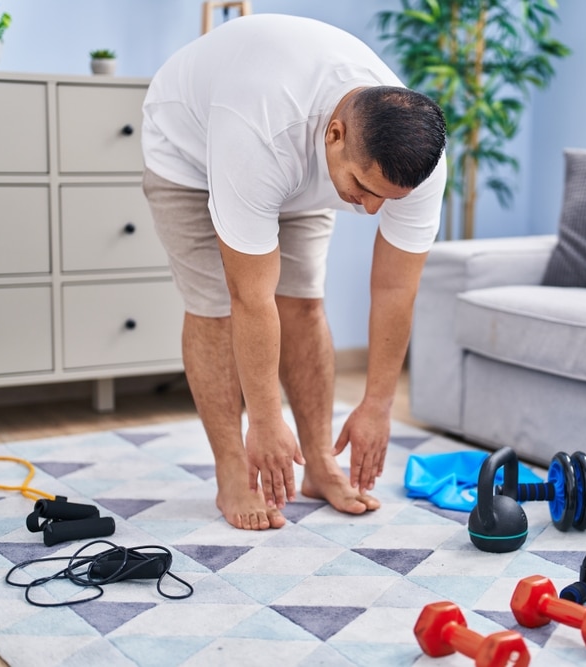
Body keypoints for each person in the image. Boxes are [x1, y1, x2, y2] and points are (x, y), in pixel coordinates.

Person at [140, 13, 447, 530]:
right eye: (365, 190)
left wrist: (377, 404)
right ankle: (232, 471)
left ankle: (319, 463)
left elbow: (396, 289)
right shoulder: (258, 129)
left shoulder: (418, 162)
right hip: (188, 154)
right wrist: (264, 419)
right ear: (335, 134)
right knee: (216, 306)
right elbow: (250, 299)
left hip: (302, 168)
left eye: (387, 199)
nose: (372, 211)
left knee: (303, 301)